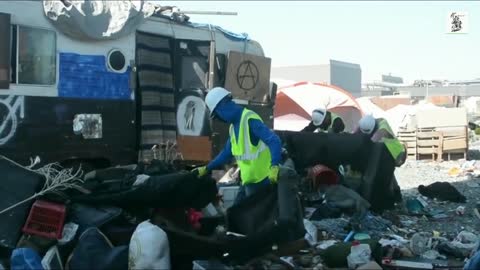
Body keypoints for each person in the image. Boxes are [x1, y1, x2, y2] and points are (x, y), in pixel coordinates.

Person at [194, 87, 282, 205]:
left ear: (223, 105)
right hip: (248, 181)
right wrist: (207, 168)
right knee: (235, 215)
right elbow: (226, 152)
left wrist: (274, 166)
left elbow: (274, 140)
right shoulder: (233, 127)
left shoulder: (249, 119)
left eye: (218, 114)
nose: (221, 118)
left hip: (263, 180)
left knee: (247, 218)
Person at [355, 114, 406, 204]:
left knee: (385, 173)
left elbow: (374, 140)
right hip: (385, 153)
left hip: (396, 153)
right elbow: (355, 133)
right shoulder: (365, 123)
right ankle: (397, 194)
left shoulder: (382, 126)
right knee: (388, 173)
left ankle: (393, 196)